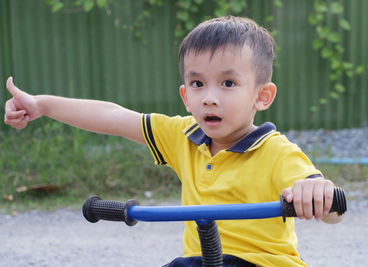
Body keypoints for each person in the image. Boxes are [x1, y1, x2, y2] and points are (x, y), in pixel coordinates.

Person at [4, 16, 344, 266]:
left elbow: (331, 212)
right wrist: (43, 105)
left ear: (262, 95)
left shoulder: (277, 152)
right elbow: (114, 117)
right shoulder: (183, 137)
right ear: (185, 95)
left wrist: (315, 193)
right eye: (198, 84)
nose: (209, 98)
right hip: (201, 260)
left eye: (227, 83)